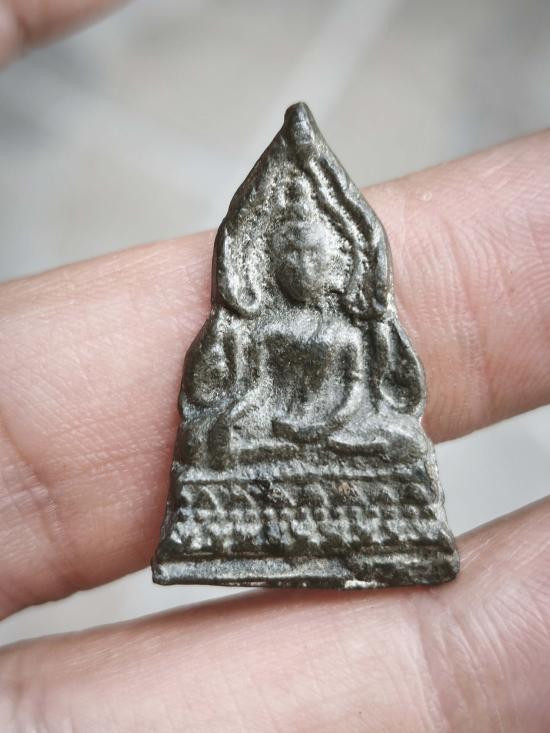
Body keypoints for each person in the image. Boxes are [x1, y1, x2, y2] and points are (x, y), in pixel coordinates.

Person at [0, 2, 549, 730]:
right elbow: (229, 396)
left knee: (399, 443)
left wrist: (374, 349)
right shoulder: (256, 326)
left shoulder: (354, 329)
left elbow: (383, 400)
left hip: (342, 441)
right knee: (212, 442)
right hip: (269, 437)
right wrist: (231, 377)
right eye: (288, 254)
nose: (302, 265)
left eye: (316, 255)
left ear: (343, 263)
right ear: (267, 261)